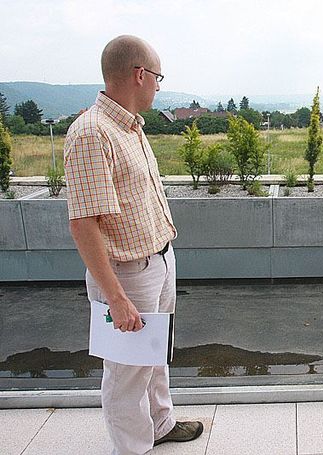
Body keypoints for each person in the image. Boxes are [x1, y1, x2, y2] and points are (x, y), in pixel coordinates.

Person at [64, 35, 203, 454]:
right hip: (127, 275)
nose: (159, 86)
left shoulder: (128, 126)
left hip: (157, 261)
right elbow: (84, 224)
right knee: (127, 373)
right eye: (157, 77)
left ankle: (161, 425)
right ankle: (132, 448)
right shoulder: (93, 133)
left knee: (155, 355)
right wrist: (116, 298)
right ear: (139, 74)